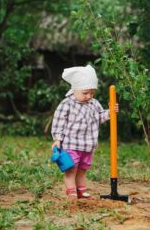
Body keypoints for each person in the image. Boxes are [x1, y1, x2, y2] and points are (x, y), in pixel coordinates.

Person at [51, 65, 118, 200]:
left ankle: (82, 191)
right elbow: (59, 121)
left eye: (92, 93)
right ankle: (71, 191)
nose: (89, 96)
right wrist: (57, 139)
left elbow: (99, 117)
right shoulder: (67, 104)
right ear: (74, 89)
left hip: (88, 145)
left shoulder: (94, 104)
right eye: (85, 93)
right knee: (71, 169)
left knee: (82, 169)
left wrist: (110, 112)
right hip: (72, 144)